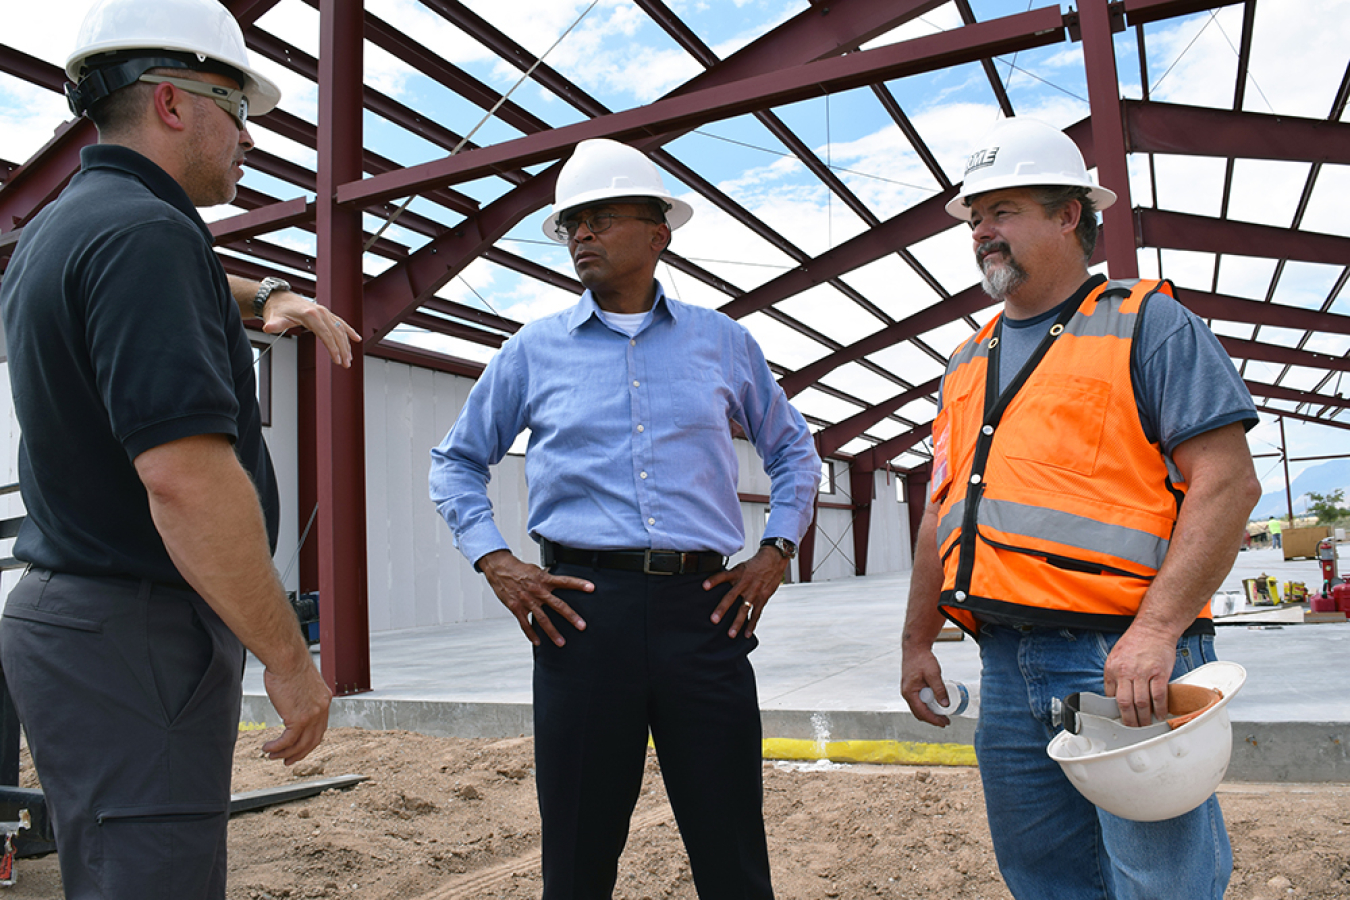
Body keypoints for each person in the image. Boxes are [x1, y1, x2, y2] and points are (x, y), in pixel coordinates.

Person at [0, 0, 355, 895]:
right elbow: (189, 483)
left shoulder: (59, 228)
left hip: (78, 625)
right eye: (236, 112)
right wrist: (289, 658)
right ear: (170, 102)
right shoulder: (151, 235)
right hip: (140, 638)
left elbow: (164, 277)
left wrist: (268, 293)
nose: (247, 138)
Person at [429, 137, 820, 899]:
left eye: (601, 219)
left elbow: (795, 453)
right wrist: (498, 561)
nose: (581, 235)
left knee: (730, 838)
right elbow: (456, 460)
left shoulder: (723, 342)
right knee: (577, 848)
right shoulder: (532, 352)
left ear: (658, 234)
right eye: (573, 223)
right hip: (581, 613)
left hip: (702, 612)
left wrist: (775, 551)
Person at [900, 117, 1260, 900]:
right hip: (1005, 661)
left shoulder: (1147, 323)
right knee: (1042, 876)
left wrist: (1158, 631)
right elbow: (942, 511)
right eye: (975, 217)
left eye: (1002, 211)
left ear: (1070, 214)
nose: (981, 232)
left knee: (1159, 880)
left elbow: (1229, 484)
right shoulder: (967, 361)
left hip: (1123, 661)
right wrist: (916, 640)